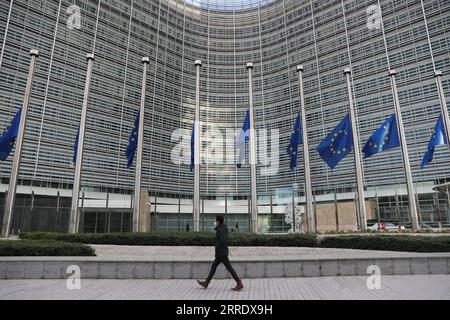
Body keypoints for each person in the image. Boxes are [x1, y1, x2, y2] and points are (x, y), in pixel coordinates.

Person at [197, 215, 244, 291]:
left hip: (222, 252)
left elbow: (223, 240)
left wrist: (218, 246)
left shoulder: (220, 229)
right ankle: (206, 282)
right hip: (221, 252)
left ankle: (239, 283)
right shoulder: (223, 228)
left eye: (215, 220)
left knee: (229, 268)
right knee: (214, 266)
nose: (214, 221)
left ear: (218, 221)